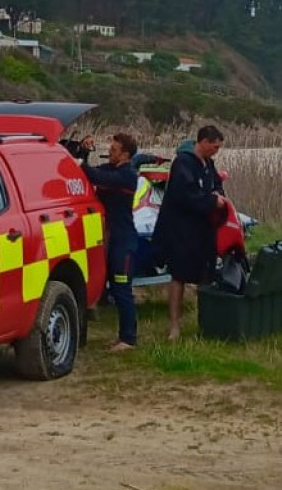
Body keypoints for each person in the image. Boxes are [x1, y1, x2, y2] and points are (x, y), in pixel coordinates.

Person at [152, 124, 227, 340]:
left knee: (206, 274)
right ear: (203, 142)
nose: (216, 151)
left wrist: (219, 196)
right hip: (182, 230)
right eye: (214, 147)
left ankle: (205, 323)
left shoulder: (209, 163)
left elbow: (217, 185)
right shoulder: (183, 163)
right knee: (179, 276)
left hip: (204, 229)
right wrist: (212, 200)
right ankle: (174, 326)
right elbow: (185, 195)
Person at [81, 132, 139, 351]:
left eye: (114, 151)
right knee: (114, 288)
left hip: (124, 241)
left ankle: (129, 339)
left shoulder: (127, 175)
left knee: (122, 288)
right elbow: (90, 173)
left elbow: (98, 177)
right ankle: (122, 337)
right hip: (110, 239)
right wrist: (83, 153)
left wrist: (82, 162)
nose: (109, 153)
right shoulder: (110, 169)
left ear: (125, 154)